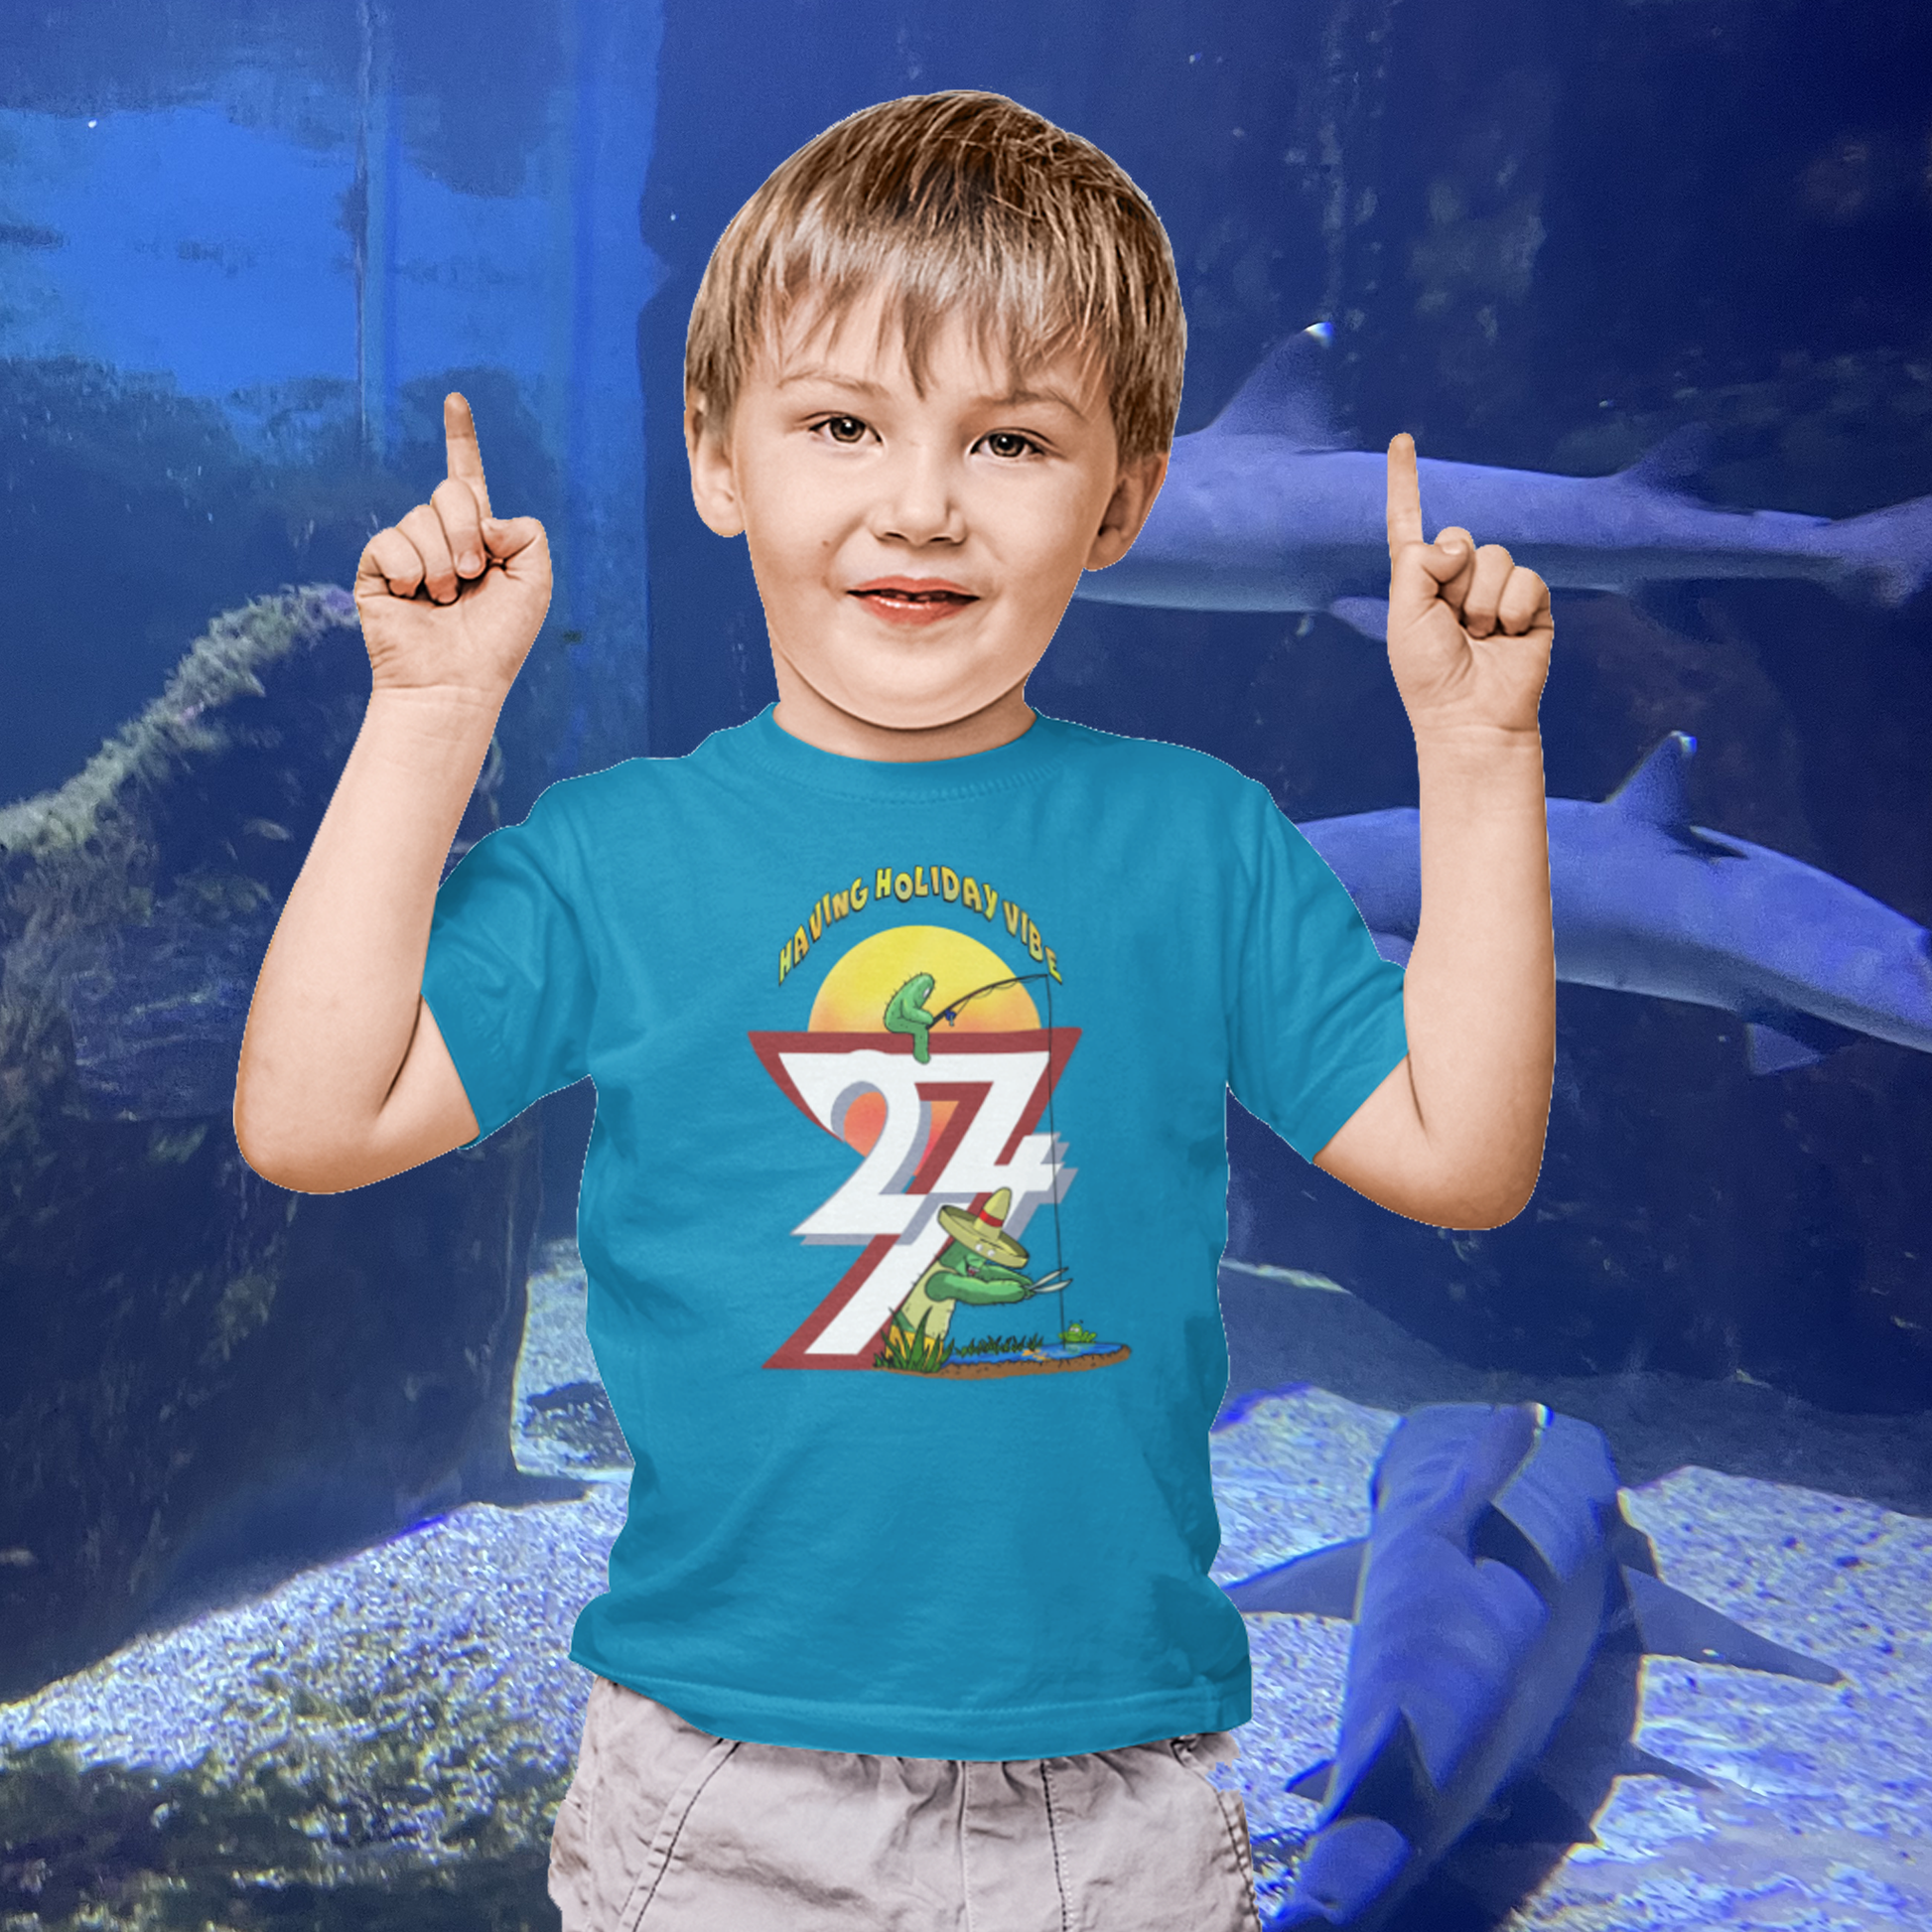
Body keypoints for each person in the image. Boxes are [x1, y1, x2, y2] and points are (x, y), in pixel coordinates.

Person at [234, 88, 1554, 1932]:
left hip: (1111, 1792)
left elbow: (1462, 1157)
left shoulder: (1202, 839)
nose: (919, 503)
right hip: (716, 1782)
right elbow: (311, 1118)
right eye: (842, 423)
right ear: (716, 456)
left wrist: (1479, 760)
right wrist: (429, 717)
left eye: (1008, 440)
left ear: (1125, 495)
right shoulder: (618, 850)